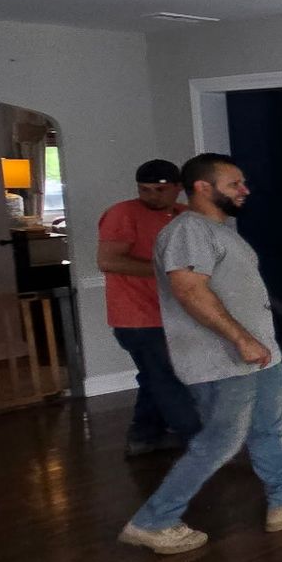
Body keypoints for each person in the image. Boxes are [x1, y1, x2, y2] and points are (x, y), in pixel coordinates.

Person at [118, 153, 282, 555]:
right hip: (221, 359)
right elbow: (189, 290)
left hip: (259, 355)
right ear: (203, 188)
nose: (245, 190)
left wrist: (258, 345)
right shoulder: (189, 231)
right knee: (220, 441)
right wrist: (241, 339)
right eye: (234, 184)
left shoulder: (220, 230)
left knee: (269, 429)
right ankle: (154, 521)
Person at [97, 159, 201, 457]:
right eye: (144, 189)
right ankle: (196, 441)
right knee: (169, 376)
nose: (151, 196)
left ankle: (144, 436)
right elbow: (108, 261)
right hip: (137, 318)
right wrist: (169, 271)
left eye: (160, 189)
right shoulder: (122, 214)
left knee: (153, 376)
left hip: (172, 313)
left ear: (178, 189)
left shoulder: (184, 215)